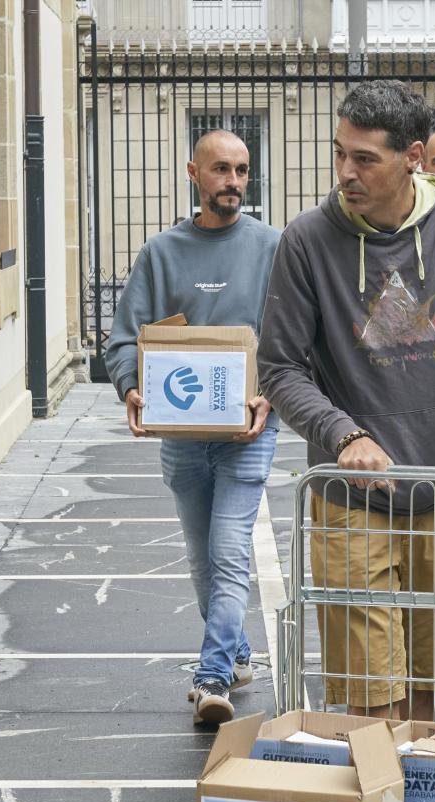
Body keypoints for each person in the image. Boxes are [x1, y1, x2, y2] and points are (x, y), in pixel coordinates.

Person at [258, 80, 435, 720]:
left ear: (412, 156)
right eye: (340, 154)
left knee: (430, 685)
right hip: (351, 497)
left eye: (365, 159)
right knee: (368, 693)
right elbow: (280, 367)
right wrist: (343, 434)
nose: (346, 172)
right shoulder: (306, 240)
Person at [103, 130, 282, 725]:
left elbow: (294, 339)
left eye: (242, 170)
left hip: (250, 431)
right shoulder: (162, 253)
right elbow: (126, 336)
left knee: (230, 551)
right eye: (222, 170)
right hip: (182, 436)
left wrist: (269, 397)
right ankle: (233, 652)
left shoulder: (272, 248)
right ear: (193, 174)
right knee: (203, 558)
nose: (234, 181)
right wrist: (132, 386)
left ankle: (212, 678)